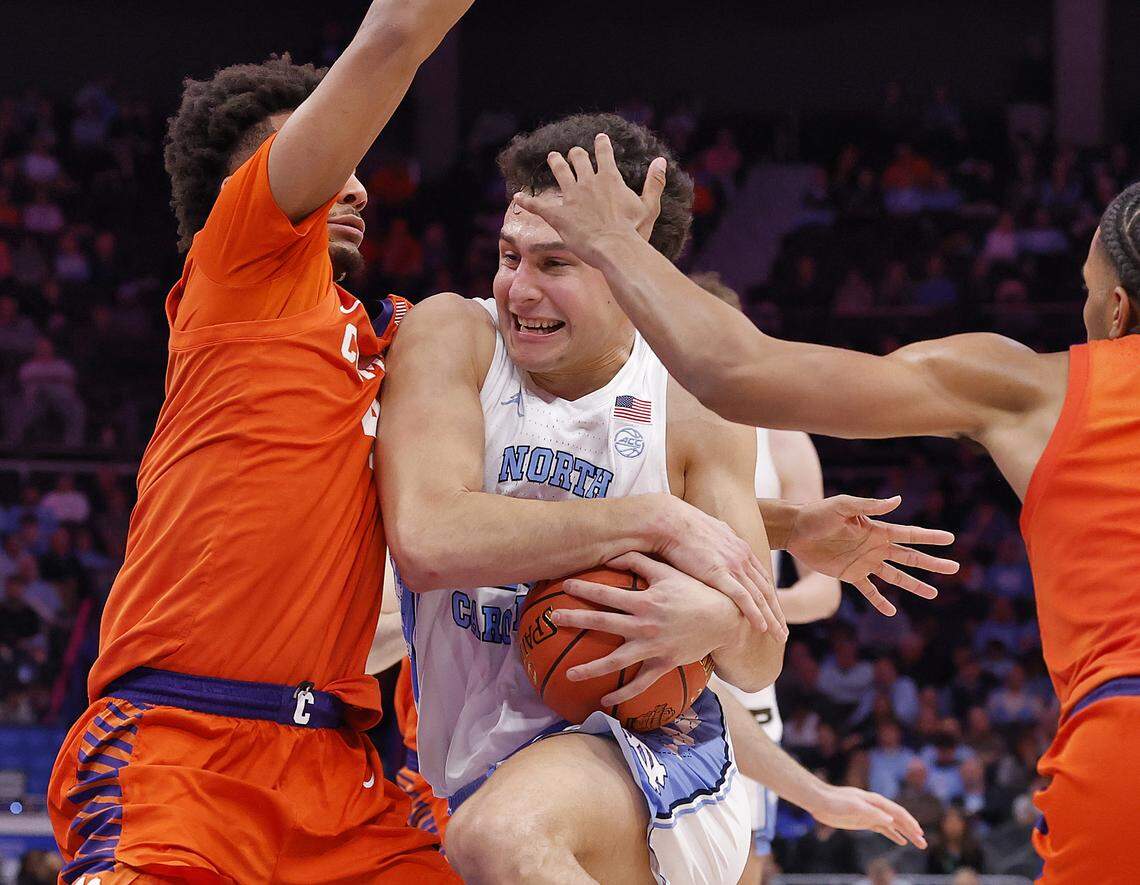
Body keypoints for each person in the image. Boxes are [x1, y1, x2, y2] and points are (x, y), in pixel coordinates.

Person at [515, 131, 1140, 881]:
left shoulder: (1038, 386)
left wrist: (612, 240)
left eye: (1083, 290)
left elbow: (732, 368)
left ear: (1115, 309)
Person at [379, 114, 947, 884]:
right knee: (492, 834)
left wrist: (718, 617)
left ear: (630, 269)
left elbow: (759, 655)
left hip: (656, 757)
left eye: (556, 262)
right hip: (470, 756)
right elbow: (429, 536)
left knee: (505, 835)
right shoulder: (453, 333)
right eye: (510, 256)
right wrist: (652, 517)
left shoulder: (691, 399)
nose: (519, 287)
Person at [47, 3, 475, 882]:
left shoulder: (394, 344)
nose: (357, 187)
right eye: (330, 162)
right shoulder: (239, 264)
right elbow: (394, 35)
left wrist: (774, 524)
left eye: (362, 169)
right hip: (182, 744)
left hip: (339, 776)